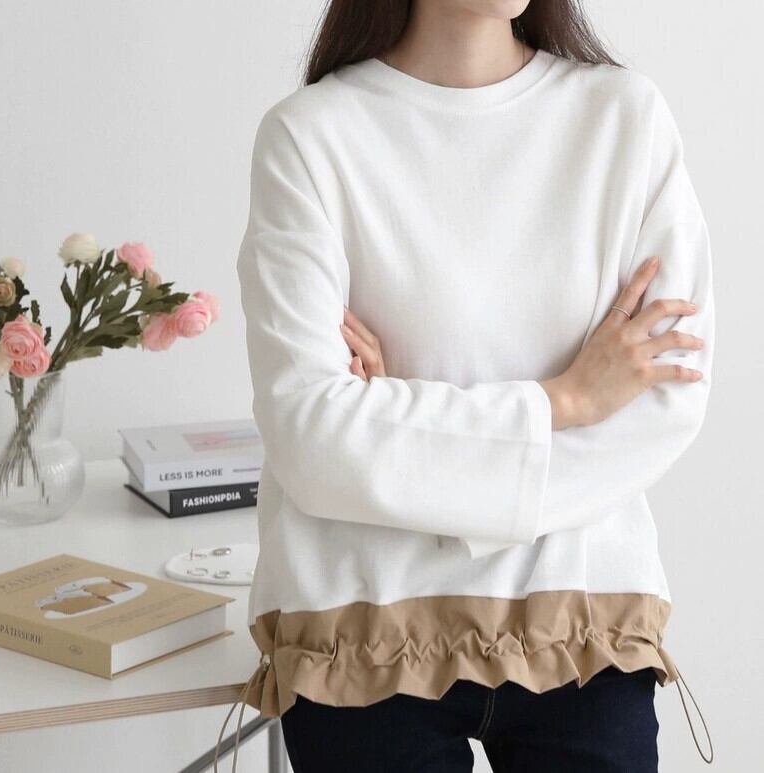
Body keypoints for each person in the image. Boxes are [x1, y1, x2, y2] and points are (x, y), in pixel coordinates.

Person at [217, 1, 716, 770]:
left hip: (578, 614)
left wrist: (396, 425)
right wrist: (565, 400)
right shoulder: (310, 136)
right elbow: (310, 437)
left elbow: (662, 397)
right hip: (361, 622)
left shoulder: (622, 119)